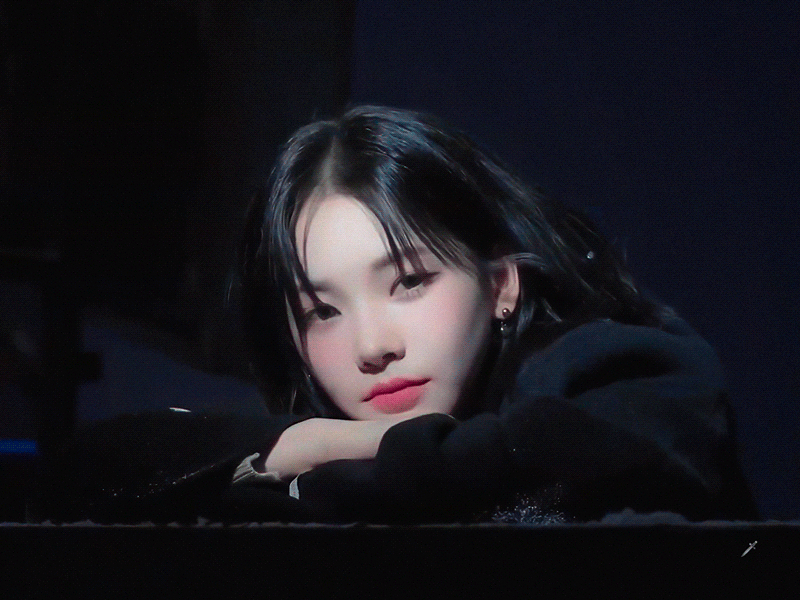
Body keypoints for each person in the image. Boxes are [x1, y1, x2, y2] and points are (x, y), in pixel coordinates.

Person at [35, 105, 756, 524]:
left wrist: (325, 456)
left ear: (502, 284)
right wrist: (306, 441)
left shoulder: (626, 369)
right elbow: (86, 474)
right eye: (321, 310)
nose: (371, 346)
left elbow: (554, 470)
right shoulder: (318, 431)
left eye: (409, 282)